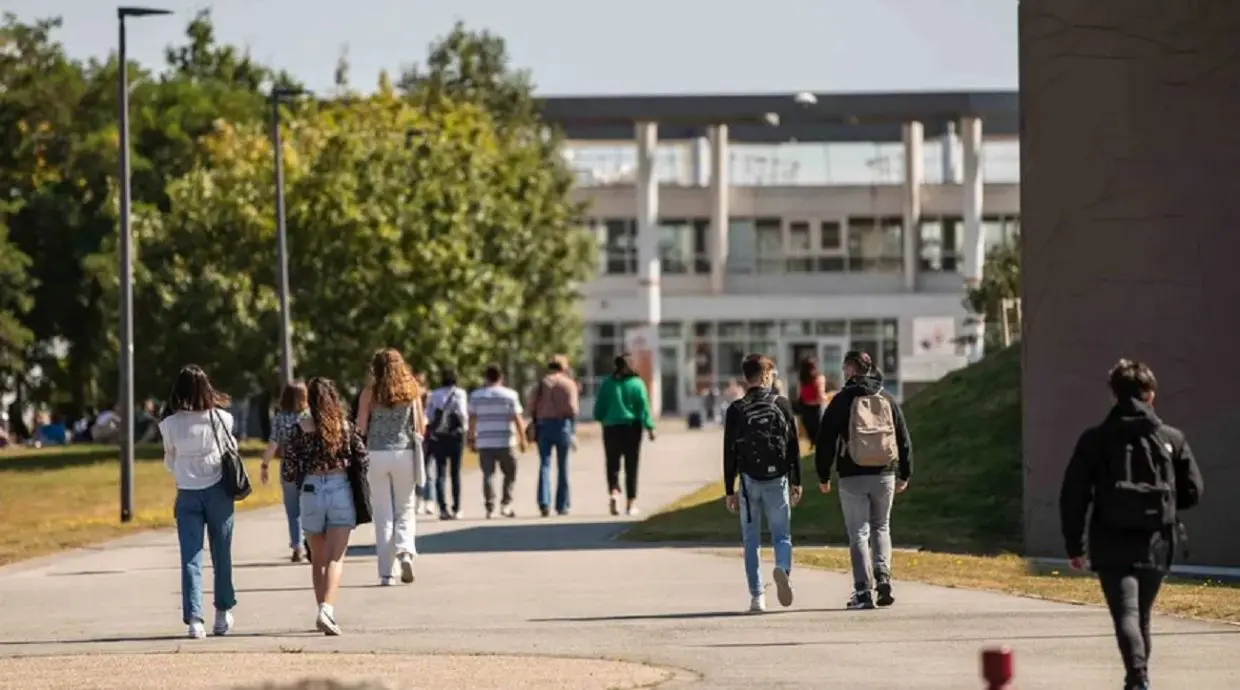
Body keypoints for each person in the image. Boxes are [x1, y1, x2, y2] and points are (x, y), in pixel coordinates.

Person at [1059, 359, 1204, 690]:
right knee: (1141, 616)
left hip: (1110, 542)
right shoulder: (1172, 439)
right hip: (1157, 542)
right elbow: (1194, 491)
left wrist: (1074, 545)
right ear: (1150, 395)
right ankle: (1138, 677)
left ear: (1113, 396)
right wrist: (1163, 506)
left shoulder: (1095, 440)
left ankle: (1137, 678)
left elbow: (1073, 495)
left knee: (1126, 612)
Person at [815, 350, 913, 610]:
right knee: (881, 526)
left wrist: (823, 474)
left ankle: (862, 592)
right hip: (885, 473)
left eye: (845, 367)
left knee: (858, 532)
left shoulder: (842, 400)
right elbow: (903, 437)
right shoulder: (886, 397)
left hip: (852, 473)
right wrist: (905, 472)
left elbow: (825, 439)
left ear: (850, 369)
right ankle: (883, 576)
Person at [282, 377, 367, 635]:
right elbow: (362, 457)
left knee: (317, 559)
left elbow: (288, 469)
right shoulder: (345, 428)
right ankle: (327, 611)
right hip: (339, 488)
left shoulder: (299, 429)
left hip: (310, 491)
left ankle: (323, 608)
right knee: (336, 557)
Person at [158, 365, 238, 639]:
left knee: (190, 558)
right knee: (221, 554)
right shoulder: (222, 419)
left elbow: (169, 462)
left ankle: (195, 619)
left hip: (187, 494)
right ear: (207, 389)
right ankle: (222, 613)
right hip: (219, 492)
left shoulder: (169, 425)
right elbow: (232, 450)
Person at [723, 354, 803, 613]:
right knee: (782, 535)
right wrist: (796, 481)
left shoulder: (736, 409)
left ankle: (757, 596)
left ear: (746, 378)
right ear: (766, 375)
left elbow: (729, 452)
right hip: (777, 478)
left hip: (748, 481)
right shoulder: (781, 403)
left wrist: (728, 489)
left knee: (751, 540)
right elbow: (793, 446)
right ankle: (782, 567)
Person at [356, 348, 426, 586]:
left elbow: (360, 428)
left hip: (376, 454)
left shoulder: (370, 392)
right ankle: (405, 551)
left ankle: (387, 573)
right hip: (404, 452)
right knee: (405, 507)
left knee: (383, 513)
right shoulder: (411, 390)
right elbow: (420, 426)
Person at [592, 354, 656, 517]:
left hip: (611, 426)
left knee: (612, 463)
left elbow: (600, 406)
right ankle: (630, 503)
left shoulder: (607, 383)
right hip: (631, 427)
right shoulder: (637, 383)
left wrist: (601, 418)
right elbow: (643, 407)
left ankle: (614, 491)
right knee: (631, 465)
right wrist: (649, 427)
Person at [260, 381, 312, 563]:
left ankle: (297, 546)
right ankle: (311, 543)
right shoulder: (309, 415)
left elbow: (273, 444)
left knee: (293, 510)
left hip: (288, 466)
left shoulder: (280, 418)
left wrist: (265, 466)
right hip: (309, 467)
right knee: (310, 507)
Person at [467, 363, 527, 519]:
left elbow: (472, 419)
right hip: (505, 441)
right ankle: (506, 504)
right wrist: (523, 439)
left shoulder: (476, 396)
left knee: (488, 475)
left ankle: (490, 507)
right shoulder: (510, 395)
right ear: (501, 377)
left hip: (485, 442)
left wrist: (471, 438)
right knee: (510, 473)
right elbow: (517, 418)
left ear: (486, 377)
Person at [528, 357, 579, 517]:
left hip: (543, 426)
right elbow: (572, 408)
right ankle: (562, 505)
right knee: (563, 466)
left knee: (545, 464)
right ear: (563, 367)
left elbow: (531, 405)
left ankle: (544, 502)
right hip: (562, 425)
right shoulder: (569, 384)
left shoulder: (541, 383)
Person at [424, 368, 468, 517]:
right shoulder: (460, 393)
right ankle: (457, 508)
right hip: (456, 437)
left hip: (439, 437)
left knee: (440, 473)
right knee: (455, 473)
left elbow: (428, 416)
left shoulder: (434, 395)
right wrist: (465, 430)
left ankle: (442, 509)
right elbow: (462, 414)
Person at [796, 356, 834, 447]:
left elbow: (800, 396)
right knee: (821, 439)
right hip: (817, 411)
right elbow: (821, 397)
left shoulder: (802, 380)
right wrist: (831, 395)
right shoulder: (819, 379)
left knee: (812, 439)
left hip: (805, 411)